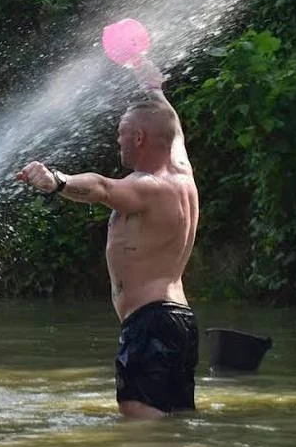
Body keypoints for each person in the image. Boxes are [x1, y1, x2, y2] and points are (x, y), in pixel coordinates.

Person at [16, 55, 200, 418]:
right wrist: (153, 88)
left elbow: (101, 187)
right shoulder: (182, 172)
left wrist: (57, 181)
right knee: (175, 428)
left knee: (140, 434)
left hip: (149, 325)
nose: (118, 141)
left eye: (121, 133)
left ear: (139, 137)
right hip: (180, 322)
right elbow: (172, 124)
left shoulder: (146, 187)